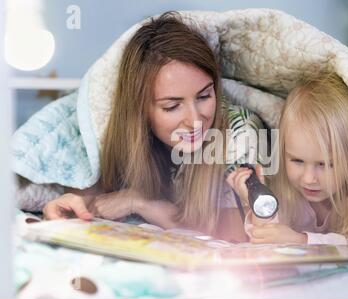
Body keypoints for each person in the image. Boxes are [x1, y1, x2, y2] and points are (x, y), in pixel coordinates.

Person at [40, 12, 261, 241]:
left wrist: (140, 201)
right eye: (172, 106)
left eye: (204, 96)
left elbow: (235, 237)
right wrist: (73, 206)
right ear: (141, 109)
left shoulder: (240, 132)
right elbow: (96, 197)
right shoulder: (130, 138)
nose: (195, 120)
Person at [227, 71, 348, 245]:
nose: (309, 179)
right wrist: (256, 205)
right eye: (297, 161)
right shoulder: (285, 192)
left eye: (326, 164)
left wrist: (301, 240)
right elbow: (266, 240)